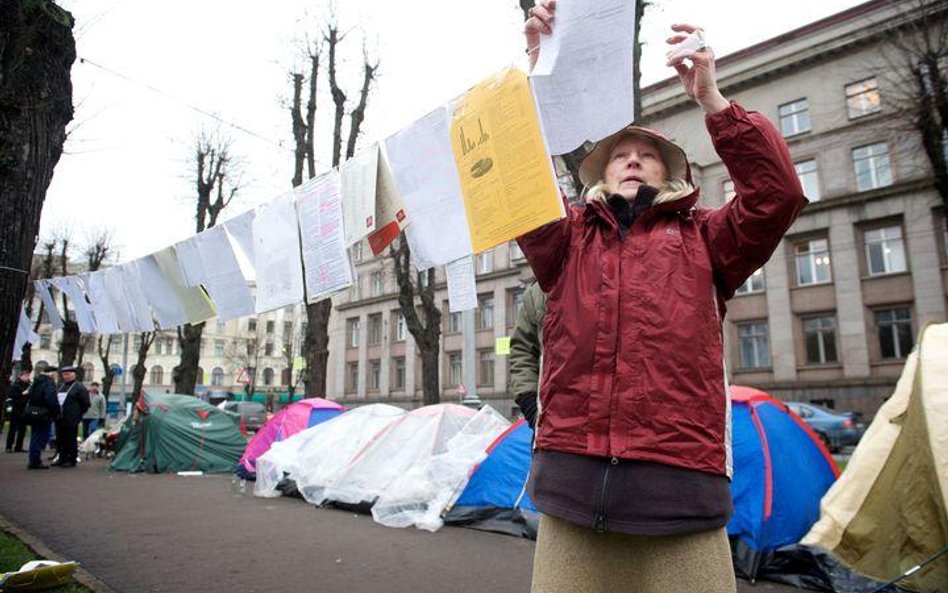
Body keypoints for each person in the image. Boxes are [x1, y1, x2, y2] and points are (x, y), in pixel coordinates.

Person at [518, 5, 807, 593]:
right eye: (619, 154)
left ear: (668, 174)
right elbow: (516, 183)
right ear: (597, 175)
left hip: (680, 496)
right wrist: (537, 69)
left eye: (645, 154)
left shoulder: (708, 237)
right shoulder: (566, 238)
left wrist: (713, 100)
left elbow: (777, 195)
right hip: (570, 491)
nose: (630, 159)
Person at [53, 366, 90, 468]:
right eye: (64, 374)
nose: (66, 376)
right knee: (60, 439)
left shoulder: (79, 387)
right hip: (60, 417)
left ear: (74, 375)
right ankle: (61, 457)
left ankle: (71, 459)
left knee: (70, 439)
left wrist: (77, 414)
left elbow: (86, 403)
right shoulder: (61, 386)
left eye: (68, 374)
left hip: (72, 418)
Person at [25, 364, 60, 470]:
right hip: (44, 413)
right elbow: (51, 399)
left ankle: (33, 459)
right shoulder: (49, 383)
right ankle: (35, 461)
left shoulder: (36, 382)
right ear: (52, 374)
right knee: (42, 437)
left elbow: (30, 395)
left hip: (34, 412)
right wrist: (56, 411)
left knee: (35, 436)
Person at [5, 367, 31, 453]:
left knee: (22, 429)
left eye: (28, 376)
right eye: (25, 376)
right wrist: (23, 393)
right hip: (16, 409)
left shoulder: (29, 385)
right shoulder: (15, 385)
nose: (27, 377)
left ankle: (19, 446)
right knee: (13, 429)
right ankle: (9, 446)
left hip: (24, 410)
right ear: (21, 376)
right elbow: (11, 397)